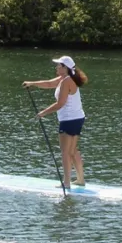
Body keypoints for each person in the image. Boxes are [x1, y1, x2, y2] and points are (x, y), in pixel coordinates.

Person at [24, 56, 88, 188]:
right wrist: (32, 83)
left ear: (65, 68)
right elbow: (48, 84)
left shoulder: (67, 81)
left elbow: (60, 103)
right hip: (77, 118)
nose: (56, 67)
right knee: (72, 150)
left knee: (65, 152)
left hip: (69, 120)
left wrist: (42, 113)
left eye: (59, 65)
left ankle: (66, 183)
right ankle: (80, 180)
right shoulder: (64, 79)